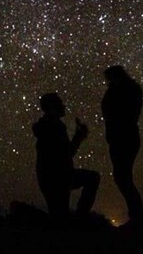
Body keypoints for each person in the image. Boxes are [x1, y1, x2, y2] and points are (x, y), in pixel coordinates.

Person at [33, 92, 100, 221]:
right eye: (60, 103)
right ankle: (80, 218)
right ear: (53, 106)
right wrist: (79, 136)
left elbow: (64, 152)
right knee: (93, 178)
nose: (64, 106)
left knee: (59, 218)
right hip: (59, 177)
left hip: (51, 177)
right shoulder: (54, 125)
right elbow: (67, 152)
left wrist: (78, 136)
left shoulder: (48, 124)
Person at [102, 65, 143, 224]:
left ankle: (138, 216)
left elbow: (121, 115)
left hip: (122, 137)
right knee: (123, 177)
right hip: (124, 137)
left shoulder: (120, 91)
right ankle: (137, 214)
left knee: (122, 177)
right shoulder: (130, 89)